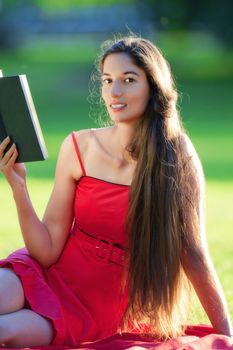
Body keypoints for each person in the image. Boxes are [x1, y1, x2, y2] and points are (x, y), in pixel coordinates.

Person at [0, 35, 232, 348]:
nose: (115, 91)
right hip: (48, 273)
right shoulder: (79, 145)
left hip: (100, 306)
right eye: (108, 80)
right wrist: (19, 187)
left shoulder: (177, 155)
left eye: (128, 80)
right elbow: (47, 250)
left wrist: (227, 335)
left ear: (153, 87)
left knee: (5, 332)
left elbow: (193, 254)